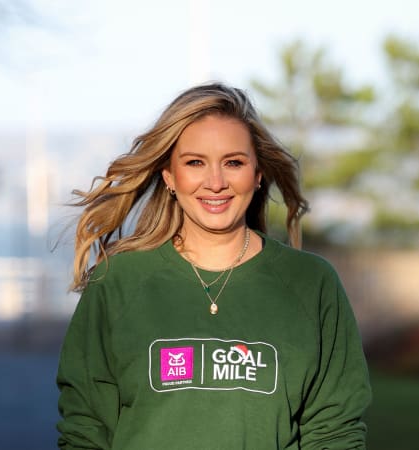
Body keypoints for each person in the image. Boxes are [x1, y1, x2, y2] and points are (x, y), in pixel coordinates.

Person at [56, 83, 371, 449]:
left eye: (233, 162)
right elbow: (85, 430)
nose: (216, 183)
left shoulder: (312, 284)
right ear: (170, 177)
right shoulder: (118, 282)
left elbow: (335, 433)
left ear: (257, 174)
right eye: (195, 163)